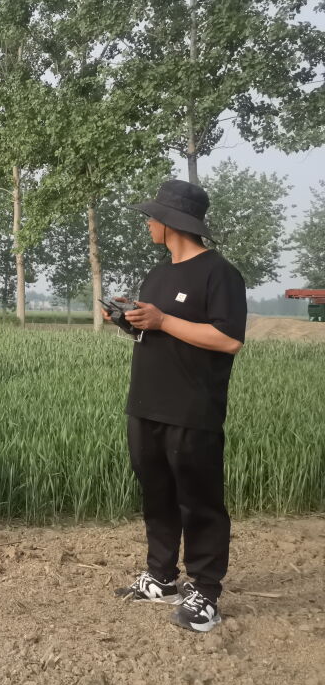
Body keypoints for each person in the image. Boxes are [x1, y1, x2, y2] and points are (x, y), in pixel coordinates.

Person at [103, 178, 247, 633]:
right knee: (157, 494)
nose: (148, 223)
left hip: (192, 408)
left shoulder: (219, 273)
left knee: (200, 502)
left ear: (171, 222)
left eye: (152, 217)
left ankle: (206, 592)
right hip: (146, 403)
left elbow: (228, 339)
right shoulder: (158, 274)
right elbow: (157, 332)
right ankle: (161, 576)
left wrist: (163, 319)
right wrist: (130, 321)